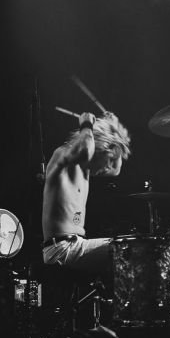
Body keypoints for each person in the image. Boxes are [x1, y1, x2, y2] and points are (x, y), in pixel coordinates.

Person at [42, 111, 131, 274]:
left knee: (129, 246)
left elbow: (115, 171)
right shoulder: (64, 154)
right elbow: (84, 150)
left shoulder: (84, 170)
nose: (108, 167)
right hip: (61, 249)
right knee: (127, 248)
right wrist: (86, 124)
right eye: (108, 160)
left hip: (74, 246)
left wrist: (116, 133)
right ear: (99, 147)